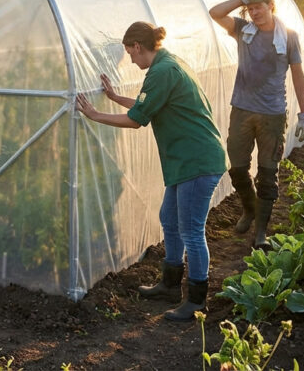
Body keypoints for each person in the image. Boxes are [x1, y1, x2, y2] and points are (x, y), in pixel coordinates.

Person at [76, 21, 227, 322]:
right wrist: (117, 98)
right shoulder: (167, 64)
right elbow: (150, 106)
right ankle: (170, 286)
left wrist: (94, 115)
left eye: (130, 52)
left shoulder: (161, 71)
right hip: (185, 160)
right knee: (169, 219)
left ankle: (196, 301)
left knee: (192, 231)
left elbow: (136, 120)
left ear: (137, 46)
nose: (130, 59)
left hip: (196, 161)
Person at [208, 0, 304, 249]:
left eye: (259, 7)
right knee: (238, 167)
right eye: (250, 8)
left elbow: (298, 76)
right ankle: (250, 208)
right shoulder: (244, 30)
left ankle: (261, 233)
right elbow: (215, 12)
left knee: (267, 173)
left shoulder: (288, 37)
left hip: (272, 114)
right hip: (241, 110)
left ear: (270, 6)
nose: (254, 13)